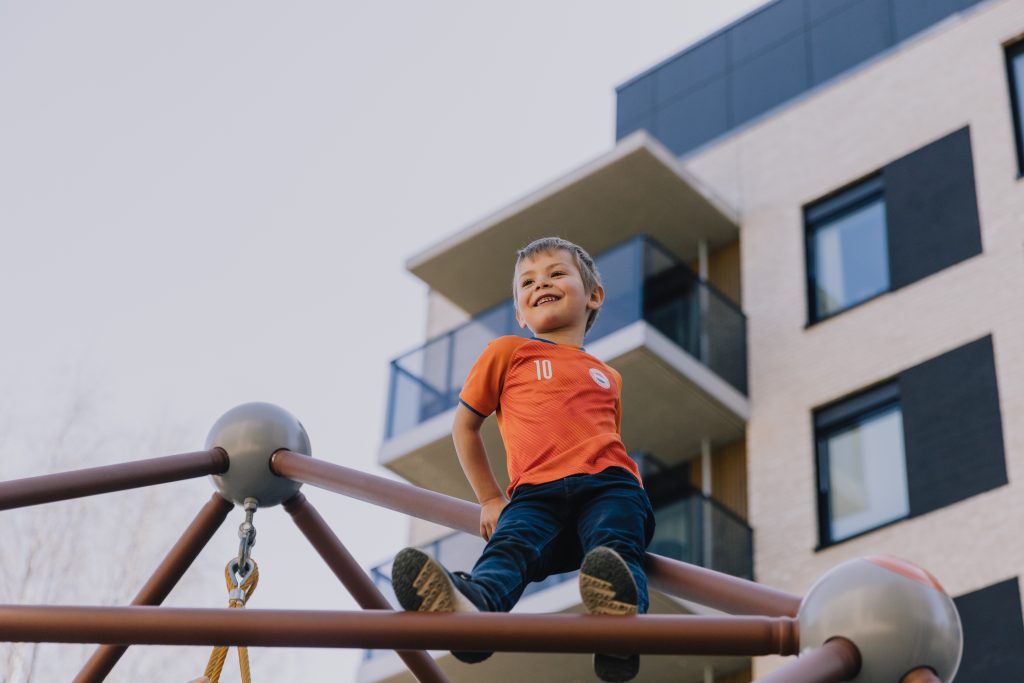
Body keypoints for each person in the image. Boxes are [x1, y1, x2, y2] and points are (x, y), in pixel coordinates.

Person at [391, 237, 655, 682]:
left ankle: (619, 625)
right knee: (509, 548)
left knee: (616, 543)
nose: (541, 285)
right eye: (527, 282)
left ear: (593, 295)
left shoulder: (608, 375)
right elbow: (464, 427)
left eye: (555, 274)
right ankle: (473, 608)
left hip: (610, 485)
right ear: (519, 311)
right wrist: (491, 499)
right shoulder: (509, 353)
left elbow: (608, 436)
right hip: (535, 494)